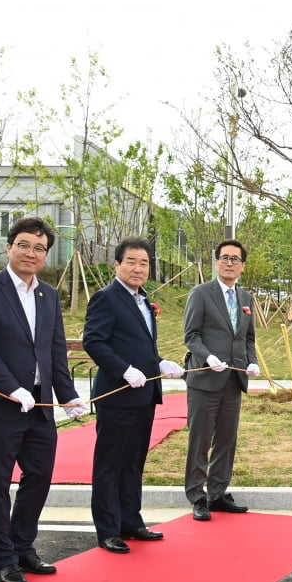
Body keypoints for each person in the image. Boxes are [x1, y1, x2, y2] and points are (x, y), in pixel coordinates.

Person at [0, 217, 88, 582]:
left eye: (39, 247)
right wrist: (10, 387)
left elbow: (54, 351)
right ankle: (2, 558)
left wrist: (67, 396)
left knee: (39, 476)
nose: (30, 253)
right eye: (24, 244)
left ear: (46, 254)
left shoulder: (47, 295)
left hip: (39, 404)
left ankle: (23, 546)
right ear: (9, 247)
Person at [83, 237, 184, 553]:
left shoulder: (143, 301)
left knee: (133, 462)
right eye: (131, 262)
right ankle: (108, 529)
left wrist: (159, 362)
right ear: (117, 265)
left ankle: (131, 521)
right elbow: (95, 342)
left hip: (144, 395)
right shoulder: (106, 298)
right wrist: (123, 369)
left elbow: (141, 345)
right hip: (117, 394)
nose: (138, 268)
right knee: (110, 463)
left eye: (144, 263)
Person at [183, 239, 259, 521]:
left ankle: (217, 493)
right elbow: (191, 335)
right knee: (200, 439)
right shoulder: (201, 293)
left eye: (235, 259)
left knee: (227, 439)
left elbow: (248, 337)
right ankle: (197, 495)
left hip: (234, 379)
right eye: (225, 258)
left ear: (242, 266)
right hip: (205, 378)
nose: (230, 263)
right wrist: (207, 358)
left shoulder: (246, 298)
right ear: (216, 262)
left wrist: (252, 361)